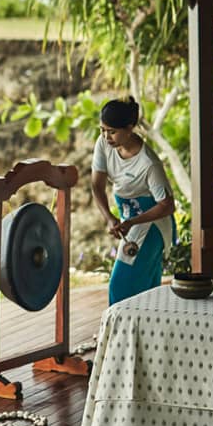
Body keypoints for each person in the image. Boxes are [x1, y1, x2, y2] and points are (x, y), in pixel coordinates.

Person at [90, 97, 177, 305]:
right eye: (102, 129)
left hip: (152, 222)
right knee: (147, 287)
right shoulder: (104, 144)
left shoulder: (149, 163)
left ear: (130, 128)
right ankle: (142, 335)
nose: (106, 136)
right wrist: (110, 218)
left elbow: (167, 205)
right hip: (129, 218)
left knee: (121, 284)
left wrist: (131, 222)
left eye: (112, 131)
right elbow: (97, 186)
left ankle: (115, 336)